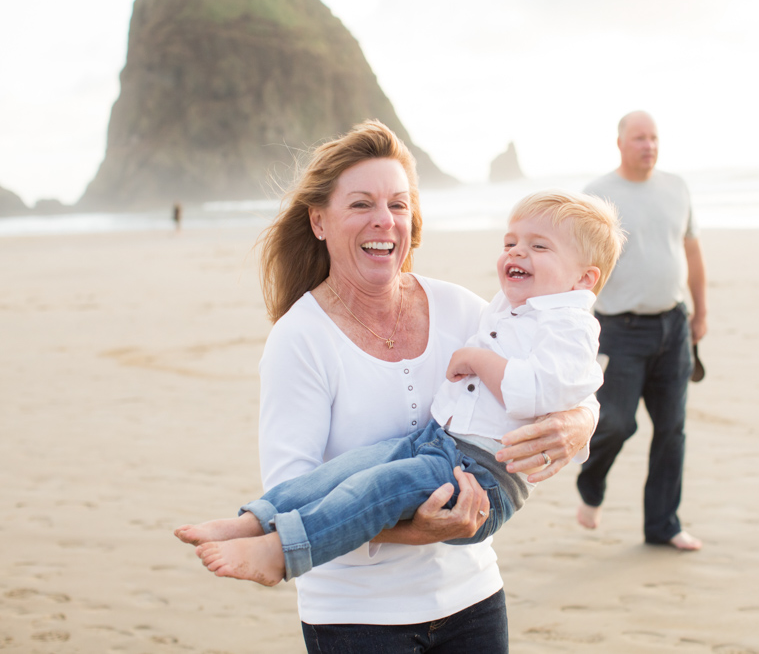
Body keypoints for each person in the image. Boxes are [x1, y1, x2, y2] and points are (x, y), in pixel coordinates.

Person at [174, 120, 597, 652]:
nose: (384, 220)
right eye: (361, 205)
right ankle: (259, 528)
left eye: (398, 204)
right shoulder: (299, 339)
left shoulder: (462, 309)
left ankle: (273, 538)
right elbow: (301, 479)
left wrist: (582, 422)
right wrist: (414, 531)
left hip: (471, 597)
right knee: (354, 475)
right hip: (357, 615)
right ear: (319, 221)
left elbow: (566, 373)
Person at [575, 110, 708, 551]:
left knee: (672, 429)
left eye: (653, 138)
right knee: (614, 421)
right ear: (620, 143)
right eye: (638, 138)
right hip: (619, 329)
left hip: (673, 324)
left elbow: (691, 250)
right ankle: (591, 484)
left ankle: (663, 526)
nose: (647, 145)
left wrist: (700, 314)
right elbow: (577, 265)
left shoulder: (677, 187)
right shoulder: (597, 196)